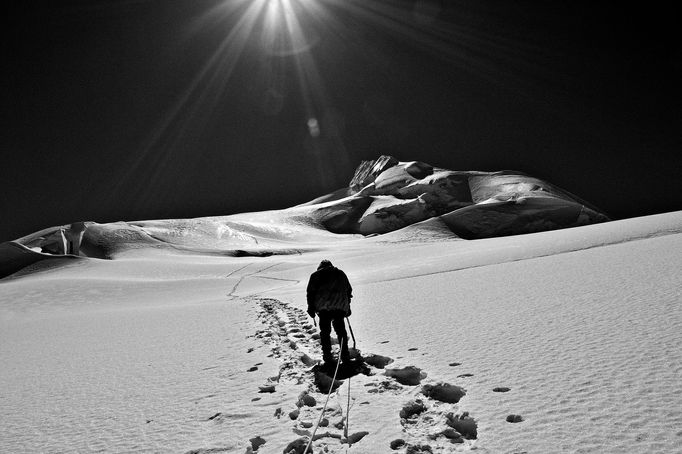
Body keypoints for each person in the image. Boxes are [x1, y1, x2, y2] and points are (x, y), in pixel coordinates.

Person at [306, 259, 353, 365]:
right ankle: (345, 355)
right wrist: (347, 306)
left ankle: (327, 356)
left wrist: (311, 308)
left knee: (325, 333)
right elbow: (348, 290)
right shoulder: (341, 274)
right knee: (341, 331)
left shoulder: (315, 276)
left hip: (323, 309)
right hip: (339, 308)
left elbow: (310, 294)